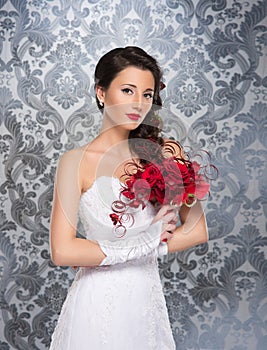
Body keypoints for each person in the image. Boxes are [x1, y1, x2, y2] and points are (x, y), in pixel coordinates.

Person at [49, 46, 208, 350]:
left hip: (144, 301)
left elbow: (198, 230)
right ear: (101, 92)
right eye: (127, 90)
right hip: (94, 303)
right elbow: (63, 250)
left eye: (147, 94)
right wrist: (146, 242)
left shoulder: (166, 152)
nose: (138, 103)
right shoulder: (75, 162)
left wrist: (145, 247)